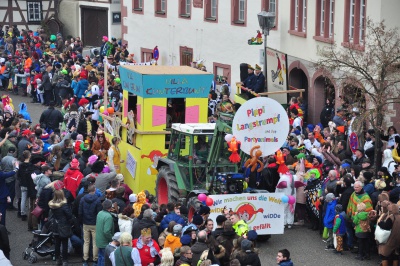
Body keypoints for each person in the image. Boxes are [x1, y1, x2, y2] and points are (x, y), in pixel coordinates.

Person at [79, 184, 102, 266]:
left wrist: (81, 221)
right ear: (94, 190)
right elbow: (99, 213)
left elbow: (80, 212)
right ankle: (95, 260)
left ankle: (85, 259)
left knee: (86, 241)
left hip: (85, 223)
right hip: (95, 224)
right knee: (95, 242)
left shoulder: (82, 199)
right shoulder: (97, 200)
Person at [49, 189, 73, 266]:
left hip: (55, 225)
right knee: (64, 243)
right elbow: (69, 215)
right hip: (63, 225)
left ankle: (57, 259)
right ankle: (65, 260)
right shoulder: (64, 205)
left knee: (57, 243)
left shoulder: (52, 205)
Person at [96, 199, 115, 266]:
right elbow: (106, 231)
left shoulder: (99, 213)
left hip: (99, 240)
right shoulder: (108, 217)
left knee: (100, 257)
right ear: (110, 208)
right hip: (105, 242)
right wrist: (112, 240)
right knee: (104, 259)